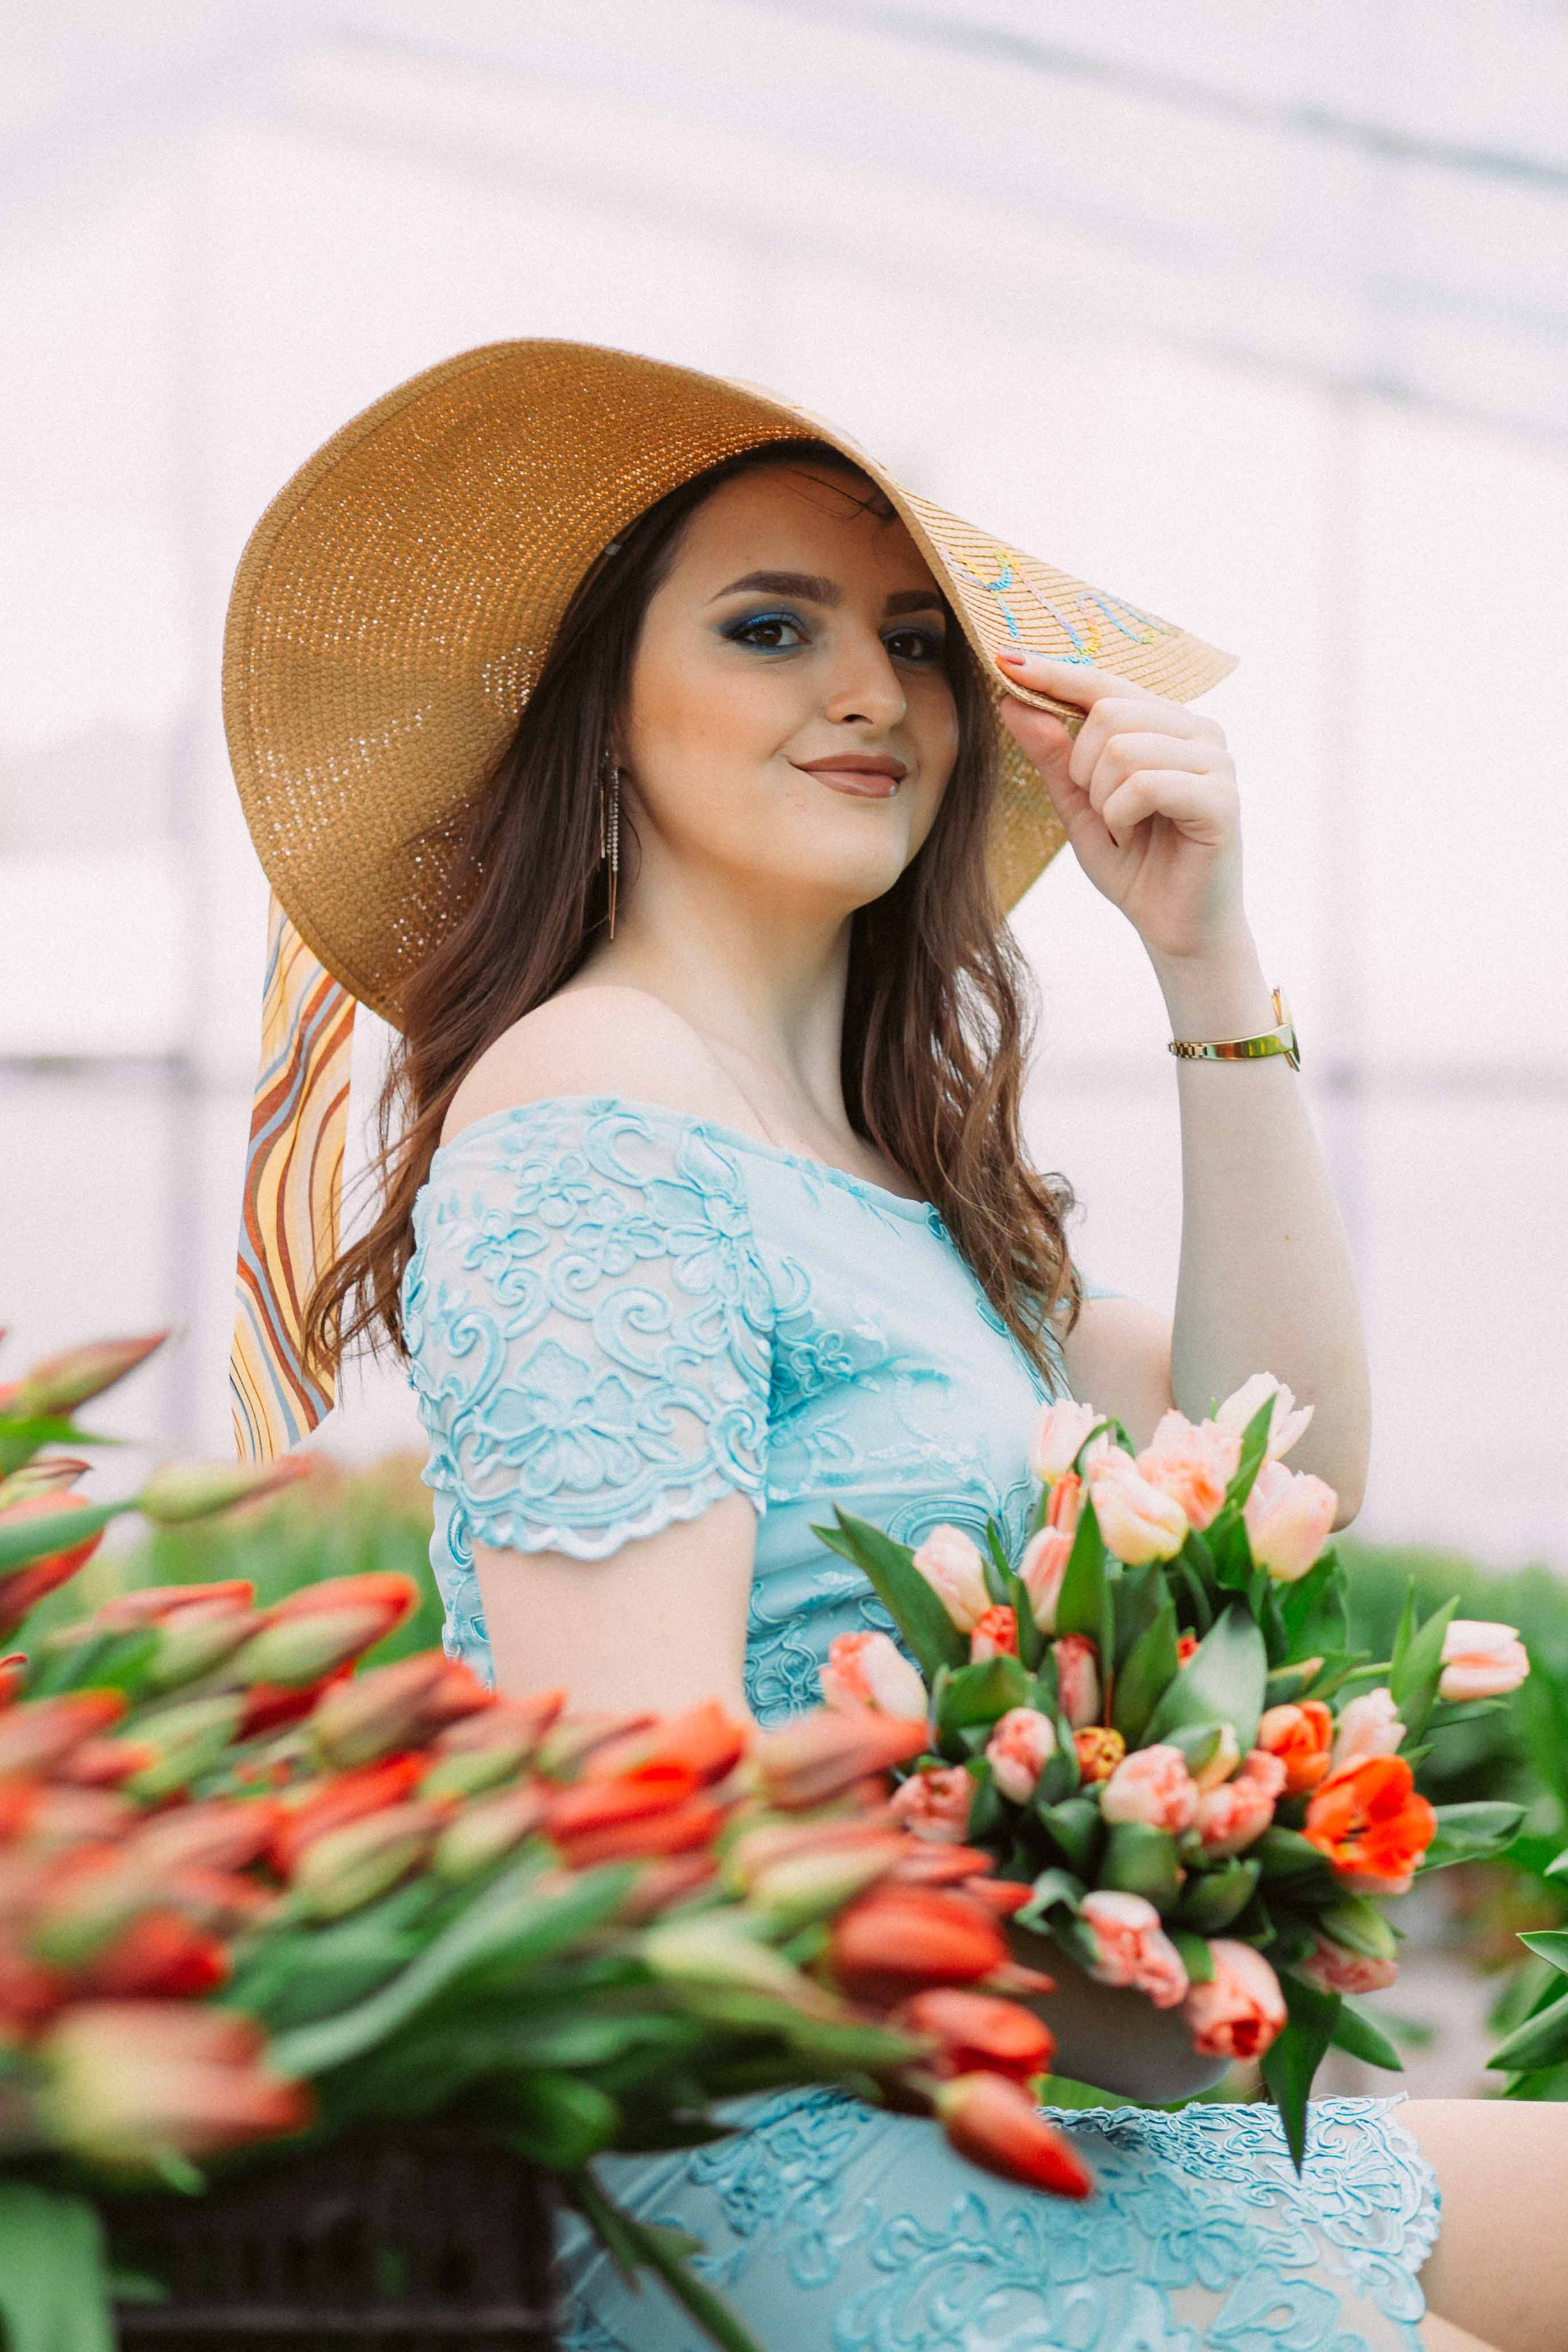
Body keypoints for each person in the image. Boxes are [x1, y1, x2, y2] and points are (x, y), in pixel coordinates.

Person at [225, 342, 1558, 2352]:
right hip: (766, 2156)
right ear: (601, 713)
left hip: (980, 2099)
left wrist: (1203, 949)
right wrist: (1093, 1942)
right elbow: (650, 1822)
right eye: (773, 628)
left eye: (916, 644)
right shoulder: (595, 1107)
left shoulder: (895, 1185)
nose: (872, 689)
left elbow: (1282, 1457)